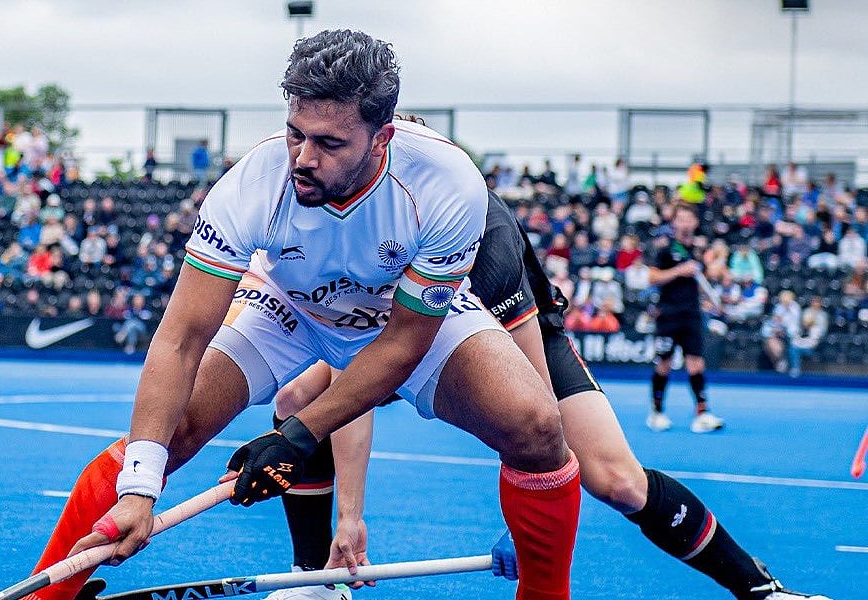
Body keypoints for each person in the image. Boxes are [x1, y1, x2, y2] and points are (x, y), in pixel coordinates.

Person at [20, 30, 580, 600]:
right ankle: (49, 596)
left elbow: (404, 342)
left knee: (536, 427)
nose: (302, 159)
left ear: (381, 136)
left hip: (395, 314)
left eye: (329, 143)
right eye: (295, 133)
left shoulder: (446, 183)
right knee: (170, 431)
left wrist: (298, 435)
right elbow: (183, 338)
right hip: (287, 305)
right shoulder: (254, 183)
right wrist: (139, 488)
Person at [263, 190, 830, 600]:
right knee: (297, 402)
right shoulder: (358, 222)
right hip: (404, 340)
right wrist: (350, 522)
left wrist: (533, 508)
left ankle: (760, 589)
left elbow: (533, 410)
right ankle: (315, 581)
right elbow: (347, 390)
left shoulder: (483, 229)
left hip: (512, 342)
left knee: (618, 481)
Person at [647, 203, 725, 433]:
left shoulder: (697, 251)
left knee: (696, 363)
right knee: (664, 364)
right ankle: (657, 412)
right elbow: (652, 277)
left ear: (695, 222)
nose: (684, 223)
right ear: (674, 223)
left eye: (688, 219)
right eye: (680, 219)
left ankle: (702, 413)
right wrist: (679, 271)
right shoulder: (665, 248)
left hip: (692, 314)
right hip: (668, 314)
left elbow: (702, 281)